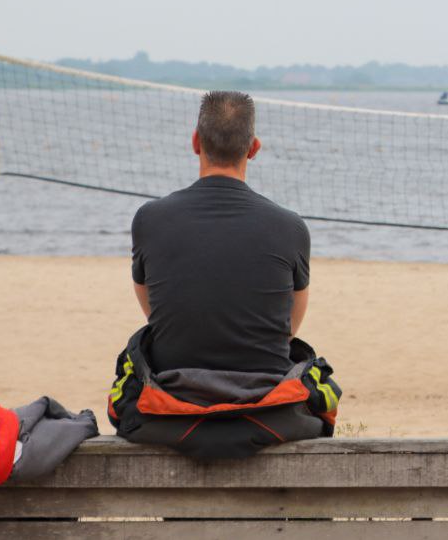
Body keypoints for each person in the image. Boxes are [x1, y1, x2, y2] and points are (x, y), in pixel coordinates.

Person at [108, 91, 341, 458]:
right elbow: (289, 327)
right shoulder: (290, 227)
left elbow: (155, 313)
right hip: (265, 409)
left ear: (195, 142)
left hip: (174, 405)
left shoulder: (149, 219)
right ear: (254, 148)